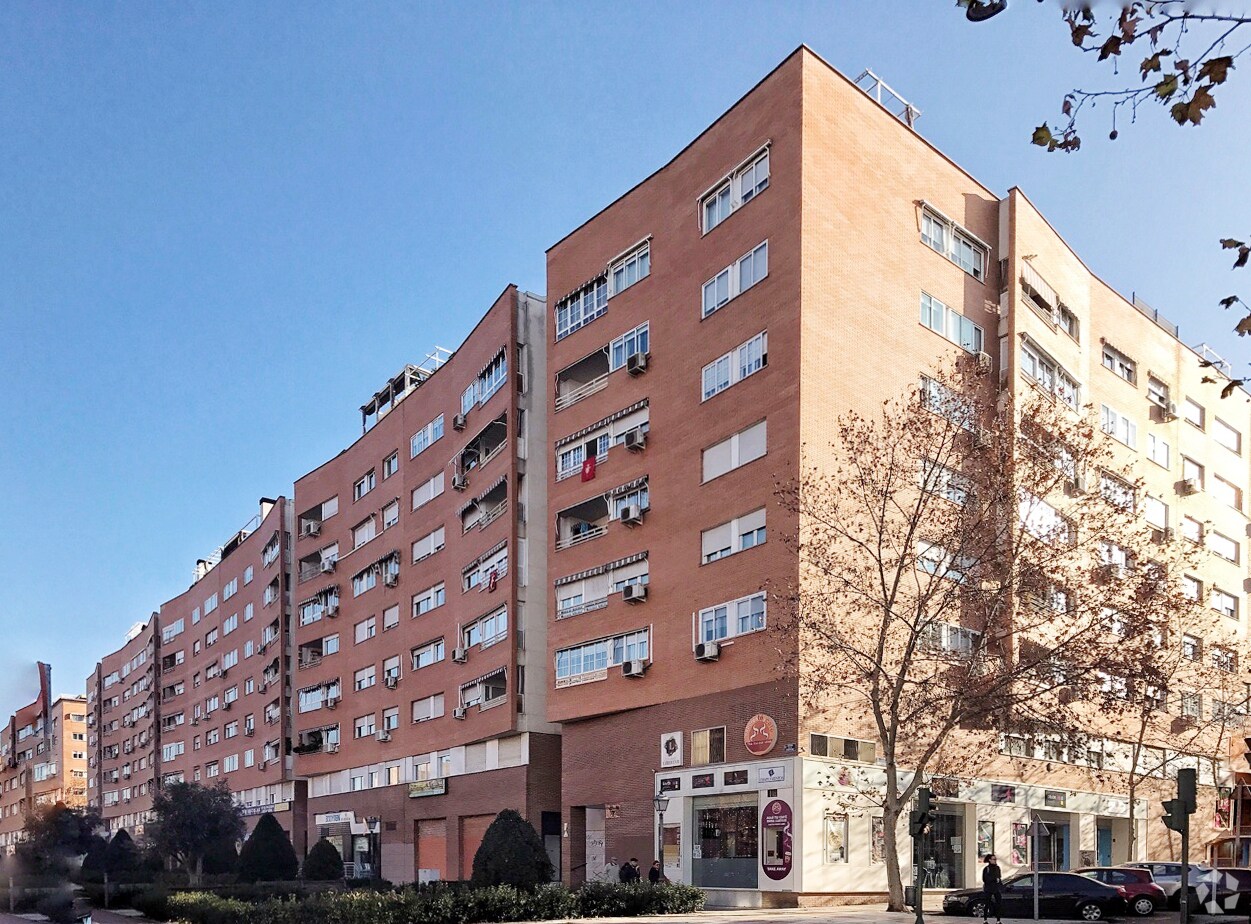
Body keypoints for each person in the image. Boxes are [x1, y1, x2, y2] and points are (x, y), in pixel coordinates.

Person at [981, 853, 1003, 924]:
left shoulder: (997, 868)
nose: (995, 861)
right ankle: (985, 920)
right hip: (988, 888)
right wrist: (994, 879)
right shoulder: (986, 869)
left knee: (998, 904)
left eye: (995, 859)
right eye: (993, 859)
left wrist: (1000, 884)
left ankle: (998, 920)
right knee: (987, 904)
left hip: (996, 888)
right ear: (989, 860)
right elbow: (985, 879)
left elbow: (999, 877)